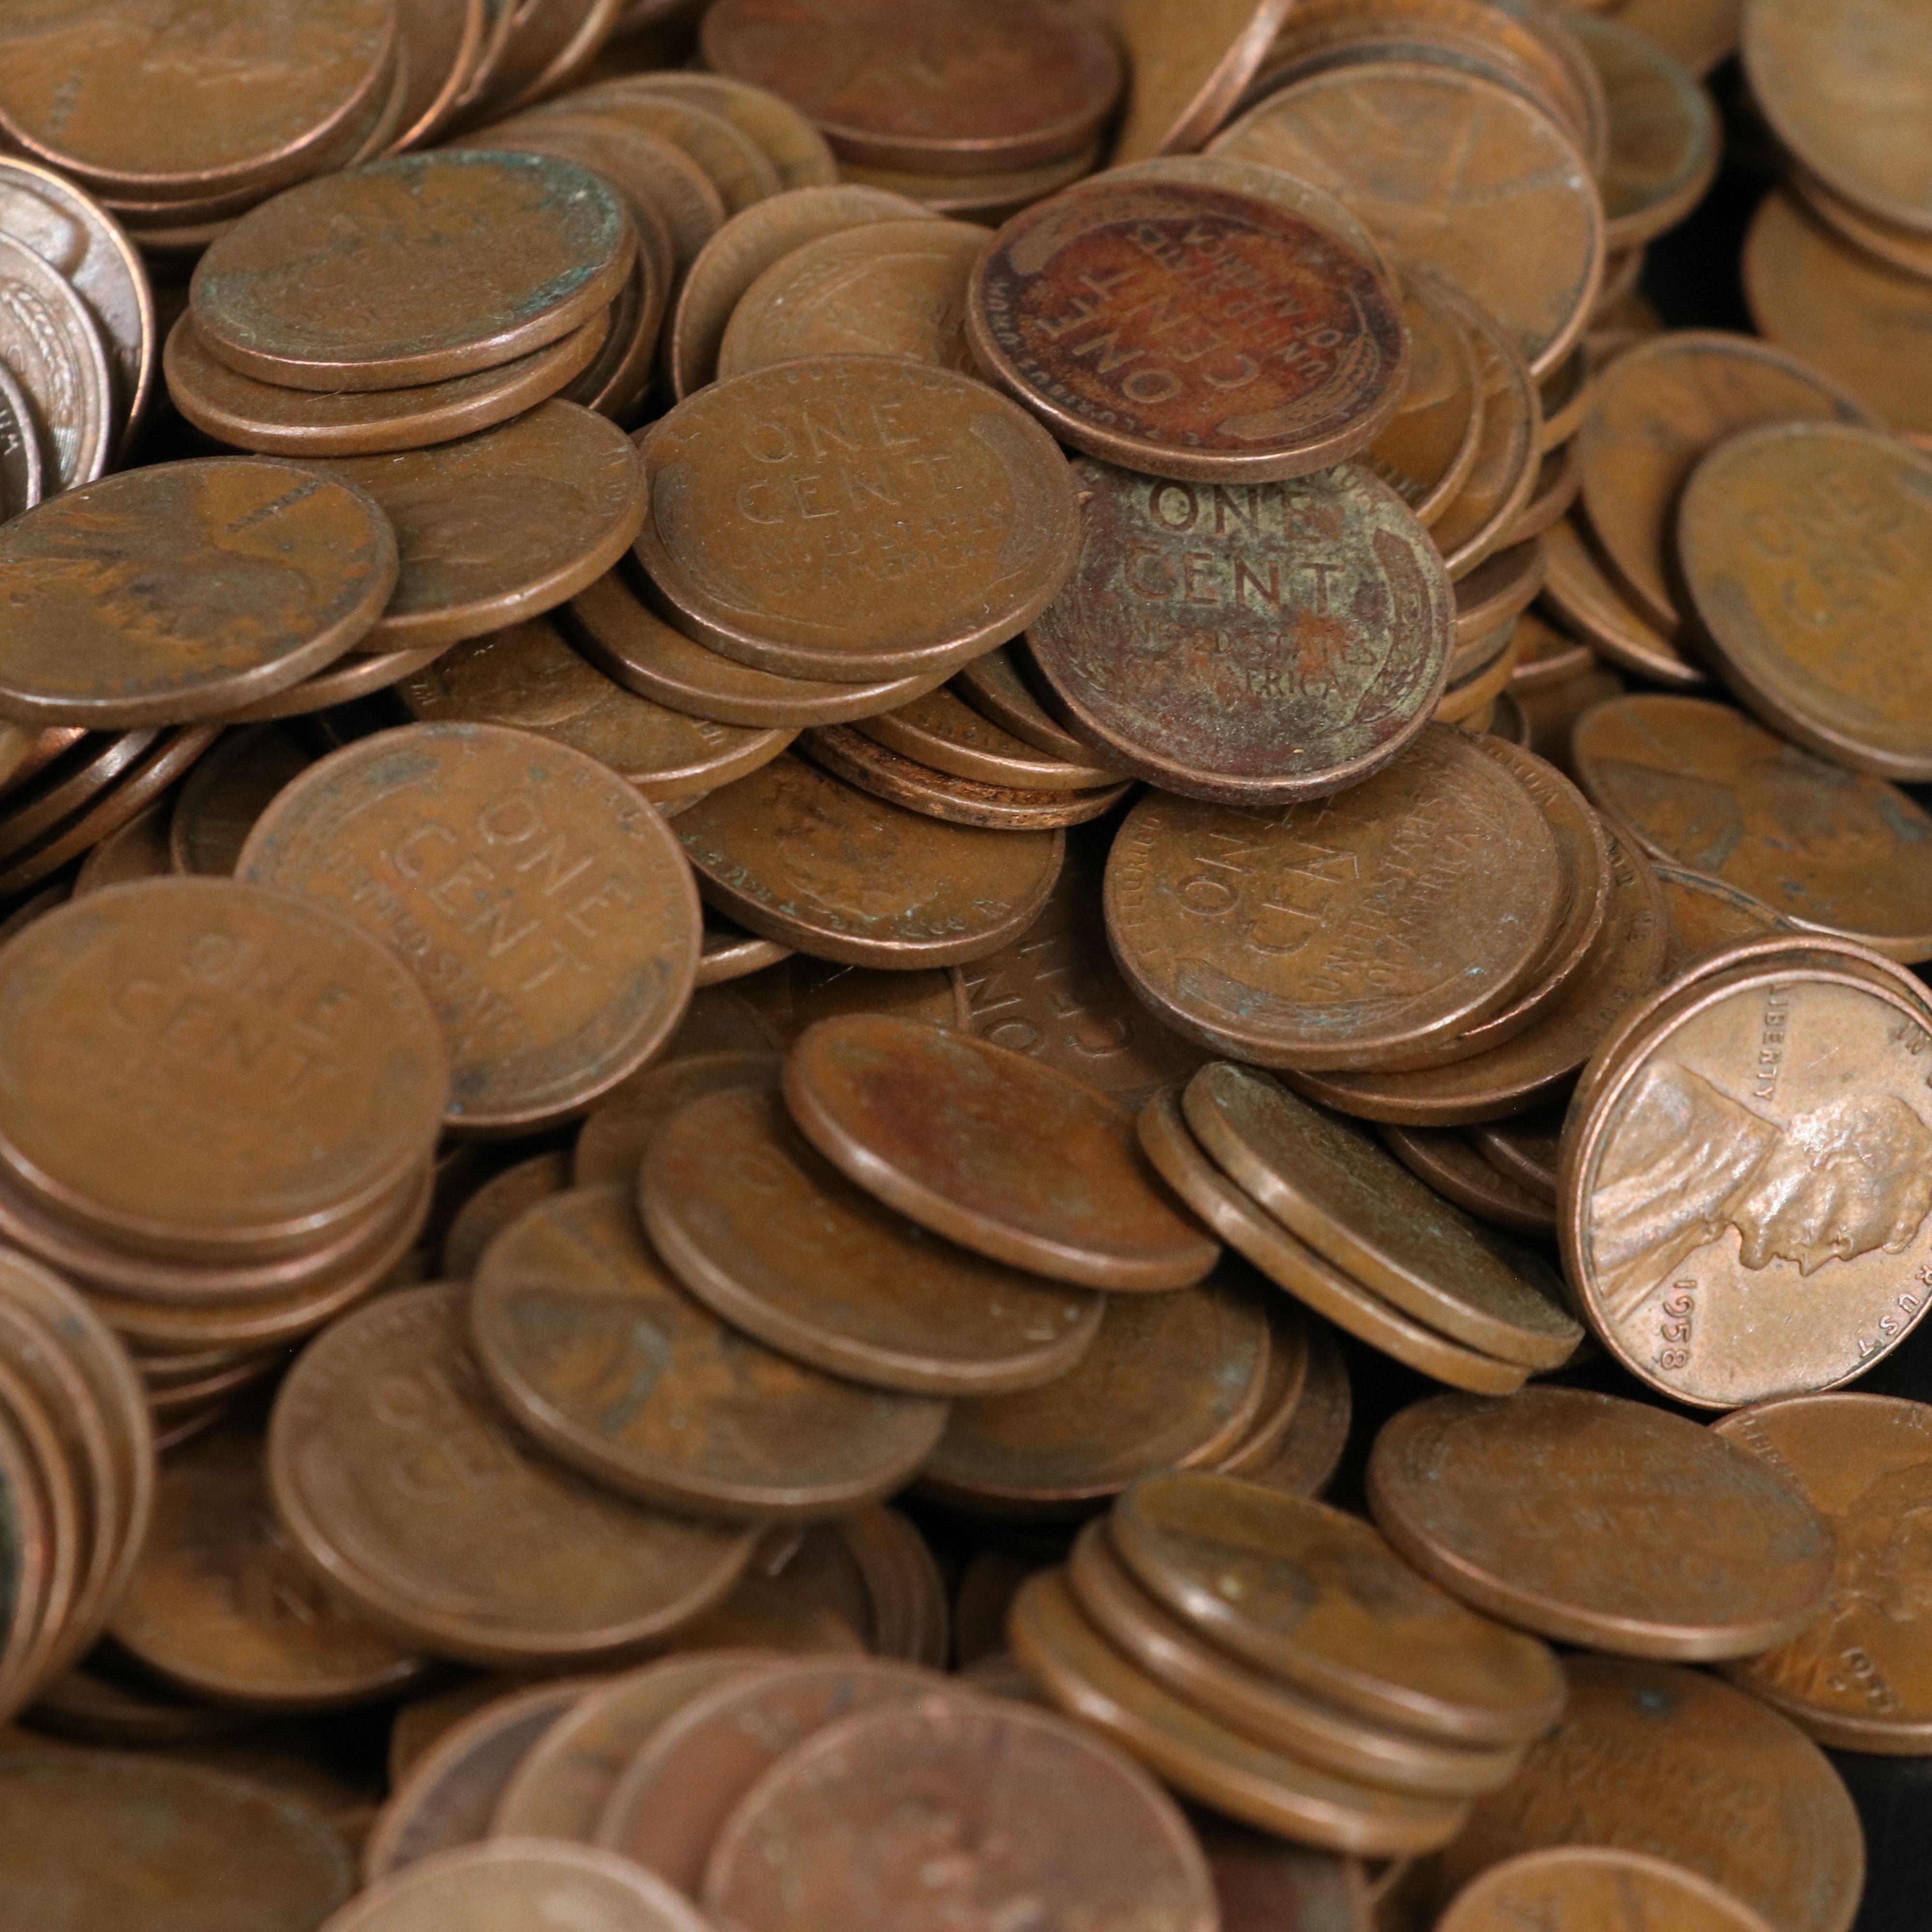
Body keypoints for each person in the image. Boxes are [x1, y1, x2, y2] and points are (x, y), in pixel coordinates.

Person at [1591, 1060, 1932, 1321]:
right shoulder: (1662, 1101)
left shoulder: (1702, 1229)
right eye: (1837, 1236)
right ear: (1832, 1156)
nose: (1810, 1267)